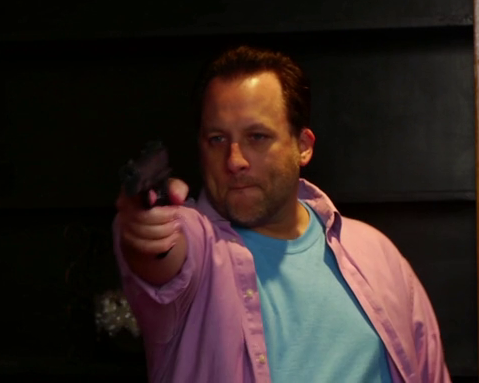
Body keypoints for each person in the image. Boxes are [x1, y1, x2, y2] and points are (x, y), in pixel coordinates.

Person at [112, 45, 451, 383]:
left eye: (257, 137)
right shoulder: (196, 245)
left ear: (302, 146)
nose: (234, 160)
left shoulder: (376, 253)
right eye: (217, 139)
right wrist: (147, 225)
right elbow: (161, 256)